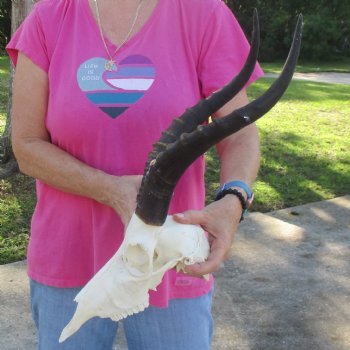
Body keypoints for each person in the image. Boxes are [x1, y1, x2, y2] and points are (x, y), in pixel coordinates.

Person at [7, 0, 263, 349]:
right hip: (69, 258)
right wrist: (110, 189)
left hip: (171, 258)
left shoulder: (203, 13)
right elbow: (26, 145)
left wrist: (233, 199)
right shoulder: (49, 18)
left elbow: (240, 133)